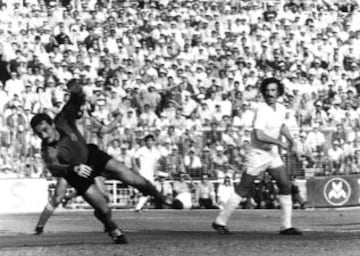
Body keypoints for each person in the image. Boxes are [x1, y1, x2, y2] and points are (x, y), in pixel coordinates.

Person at [30, 79, 168, 244]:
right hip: (76, 172)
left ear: (52, 123)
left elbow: (79, 100)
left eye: (45, 130)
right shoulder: (47, 149)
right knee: (103, 207)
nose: (44, 136)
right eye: (39, 134)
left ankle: (163, 198)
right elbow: (55, 167)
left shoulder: (66, 119)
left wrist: (75, 89)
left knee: (133, 178)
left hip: (92, 155)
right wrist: (73, 169)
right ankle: (111, 228)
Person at [212, 77, 302, 235]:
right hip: (257, 153)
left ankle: (286, 226)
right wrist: (279, 143)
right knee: (243, 187)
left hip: (271, 153)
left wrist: (291, 140)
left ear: (279, 92)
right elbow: (259, 134)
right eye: (267, 91)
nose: (270, 94)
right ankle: (220, 221)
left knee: (285, 184)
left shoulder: (281, 108)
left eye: (273, 90)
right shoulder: (261, 110)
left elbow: (281, 125)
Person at [132, 134, 162, 212]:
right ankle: (138, 205)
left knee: (147, 191)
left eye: (151, 141)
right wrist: (136, 168)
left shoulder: (155, 151)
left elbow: (157, 161)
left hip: (150, 174)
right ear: (145, 142)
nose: (150, 142)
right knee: (147, 190)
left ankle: (138, 207)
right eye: (148, 141)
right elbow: (133, 158)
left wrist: (156, 171)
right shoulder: (142, 150)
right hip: (143, 173)